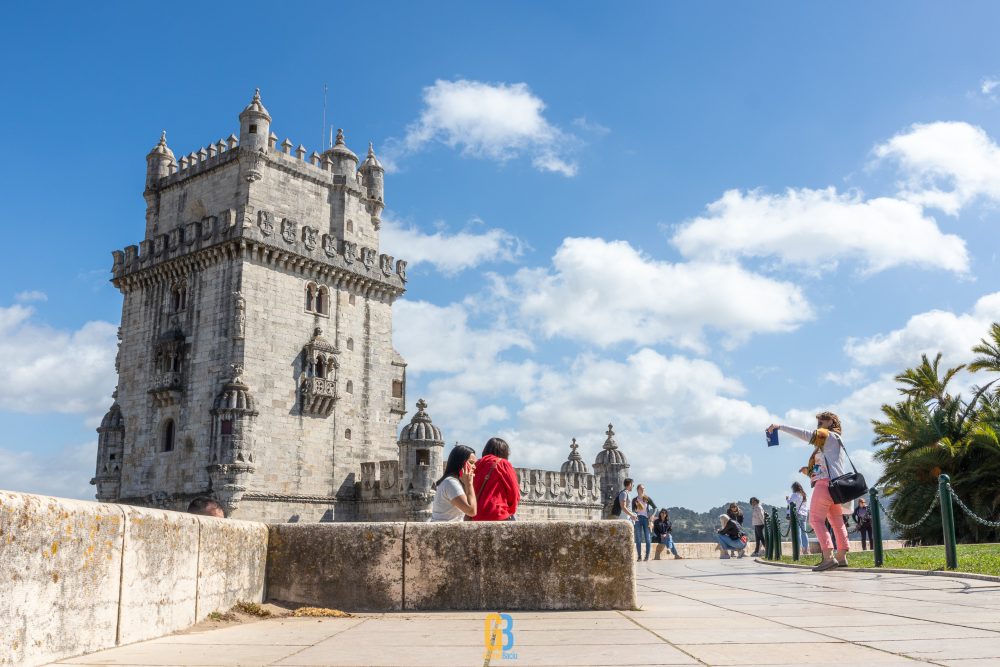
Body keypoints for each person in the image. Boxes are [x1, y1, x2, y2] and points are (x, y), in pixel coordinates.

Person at [768, 411, 850, 571]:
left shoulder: (827, 436)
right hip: (837, 487)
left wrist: (781, 427)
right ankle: (841, 556)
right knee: (836, 521)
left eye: (821, 421)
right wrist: (809, 471)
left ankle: (828, 556)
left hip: (825, 485)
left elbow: (806, 434)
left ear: (831, 422)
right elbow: (829, 465)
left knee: (815, 520)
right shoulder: (836, 440)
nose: (818, 424)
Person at [472, 437, 520, 521]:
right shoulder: (503, 464)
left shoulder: (476, 465)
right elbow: (514, 492)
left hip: (476, 516)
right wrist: (510, 510)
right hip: (498, 514)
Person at [430, 445, 477, 522]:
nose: (474, 467)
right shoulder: (451, 483)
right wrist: (469, 484)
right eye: (471, 462)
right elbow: (471, 511)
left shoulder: (454, 482)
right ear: (460, 462)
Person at [632, 484, 657, 561]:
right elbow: (632, 510)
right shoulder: (634, 500)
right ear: (637, 490)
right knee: (638, 538)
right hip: (638, 519)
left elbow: (655, 507)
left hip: (646, 519)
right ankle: (639, 556)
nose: (642, 490)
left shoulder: (647, 498)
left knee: (647, 538)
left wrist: (652, 515)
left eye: (643, 488)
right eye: (641, 488)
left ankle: (647, 556)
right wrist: (635, 511)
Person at [788, 482, 810, 555]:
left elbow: (791, 503)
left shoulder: (795, 494)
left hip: (797, 514)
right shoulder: (804, 495)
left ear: (794, 488)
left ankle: (799, 550)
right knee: (804, 532)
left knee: (798, 533)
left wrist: (787, 499)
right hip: (804, 515)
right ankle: (806, 550)